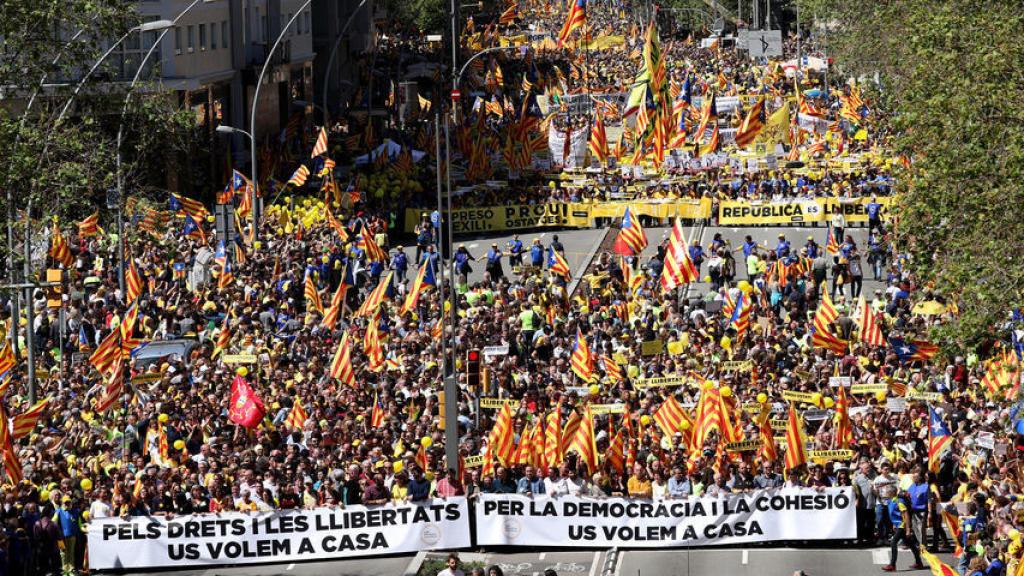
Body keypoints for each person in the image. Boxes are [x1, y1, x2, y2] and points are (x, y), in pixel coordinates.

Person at [882, 491, 924, 571]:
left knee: (893, 542)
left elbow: (906, 515)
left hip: (902, 525)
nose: (884, 493)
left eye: (886, 492)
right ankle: (919, 563)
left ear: (891, 493)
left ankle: (892, 565)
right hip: (898, 525)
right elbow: (895, 514)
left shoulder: (899, 502)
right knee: (910, 544)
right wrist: (894, 524)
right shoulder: (891, 501)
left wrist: (908, 529)